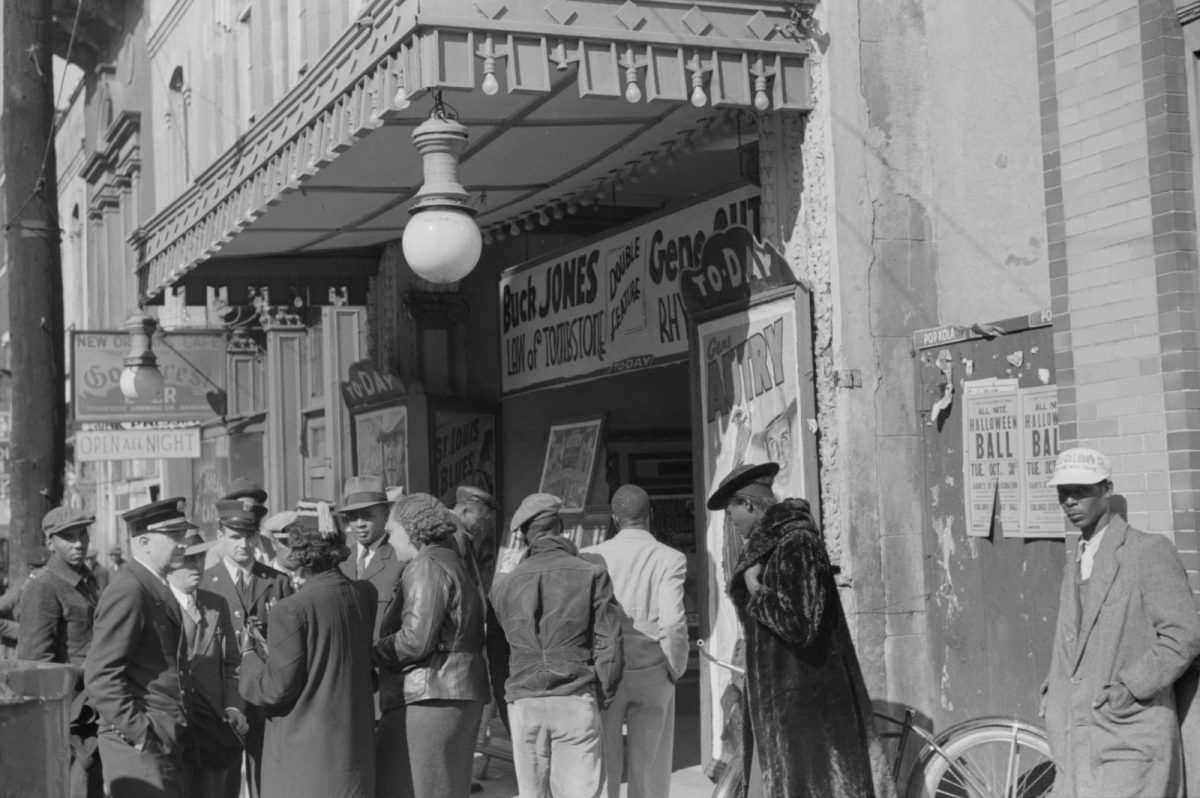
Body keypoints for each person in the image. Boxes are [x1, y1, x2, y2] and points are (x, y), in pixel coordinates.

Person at [708, 463, 888, 798]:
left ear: (748, 504)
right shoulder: (772, 545)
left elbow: (800, 624)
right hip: (784, 706)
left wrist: (756, 590)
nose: (731, 523)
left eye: (731, 512)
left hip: (807, 702)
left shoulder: (796, 543)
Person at [1041, 447, 1200, 797]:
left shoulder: (1148, 551)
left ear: (1106, 490)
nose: (1069, 501)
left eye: (1080, 491)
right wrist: (1055, 689)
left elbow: (1183, 636)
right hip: (1080, 739)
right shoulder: (1077, 561)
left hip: (1130, 734)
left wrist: (1129, 689)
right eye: (1062, 492)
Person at [490, 493, 624, 798]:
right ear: (561, 526)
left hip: (524, 703)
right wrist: (604, 690)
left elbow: (497, 658)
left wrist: (508, 702)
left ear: (524, 536)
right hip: (575, 695)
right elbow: (610, 641)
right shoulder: (592, 573)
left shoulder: (502, 587)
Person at [238, 520, 377, 798]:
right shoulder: (364, 593)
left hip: (305, 758)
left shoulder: (290, 609)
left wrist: (249, 655)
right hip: (354, 752)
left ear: (299, 556)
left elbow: (276, 690)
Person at [374, 494, 489, 798]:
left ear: (412, 530)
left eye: (392, 531)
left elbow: (415, 640)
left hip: (431, 695)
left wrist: (373, 650)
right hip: (454, 691)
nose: (389, 539)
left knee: (420, 789)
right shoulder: (451, 560)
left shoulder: (426, 565)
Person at [84, 498, 197, 798]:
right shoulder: (130, 589)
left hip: (159, 739)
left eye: (182, 533)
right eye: (174, 536)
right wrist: (140, 733)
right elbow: (101, 675)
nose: (183, 543)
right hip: (139, 748)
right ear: (144, 542)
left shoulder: (151, 583)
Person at [582, 484, 688, 798]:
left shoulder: (591, 557)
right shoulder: (670, 558)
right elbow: (673, 622)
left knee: (603, 763)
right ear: (649, 515)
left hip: (605, 671)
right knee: (650, 766)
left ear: (615, 519)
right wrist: (676, 667)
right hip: (653, 670)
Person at [203, 495, 293, 798]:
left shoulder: (277, 582)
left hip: (265, 693)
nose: (243, 544)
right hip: (224, 694)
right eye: (234, 537)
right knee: (223, 778)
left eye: (249, 536)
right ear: (220, 537)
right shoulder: (205, 584)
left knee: (265, 777)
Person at [17, 506, 105, 798]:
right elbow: (33, 666)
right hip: (67, 721)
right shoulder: (44, 586)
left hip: (94, 713)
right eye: (68, 536)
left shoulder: (87, 579)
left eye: (82, 534)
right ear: (50, 542)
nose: (79, 542)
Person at [168, 529, 249, 798]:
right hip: (173, 729)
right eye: (188, 559)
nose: (197, 566)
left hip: (214, 727)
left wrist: (233, 705)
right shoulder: (157, 603)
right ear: (171, 561)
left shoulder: (215, 604)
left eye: (200, 558)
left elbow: (232, 662)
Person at [336, 475, 404, 640]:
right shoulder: (340, 561)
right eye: (352, 517)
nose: (359, 523)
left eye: (367, 515)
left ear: (386, 514)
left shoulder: (401, 559)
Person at [452, 485, 499, 592]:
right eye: (481, 518)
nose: (483, 525)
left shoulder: (462, 535)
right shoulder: (452, 535)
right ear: (465, 511)